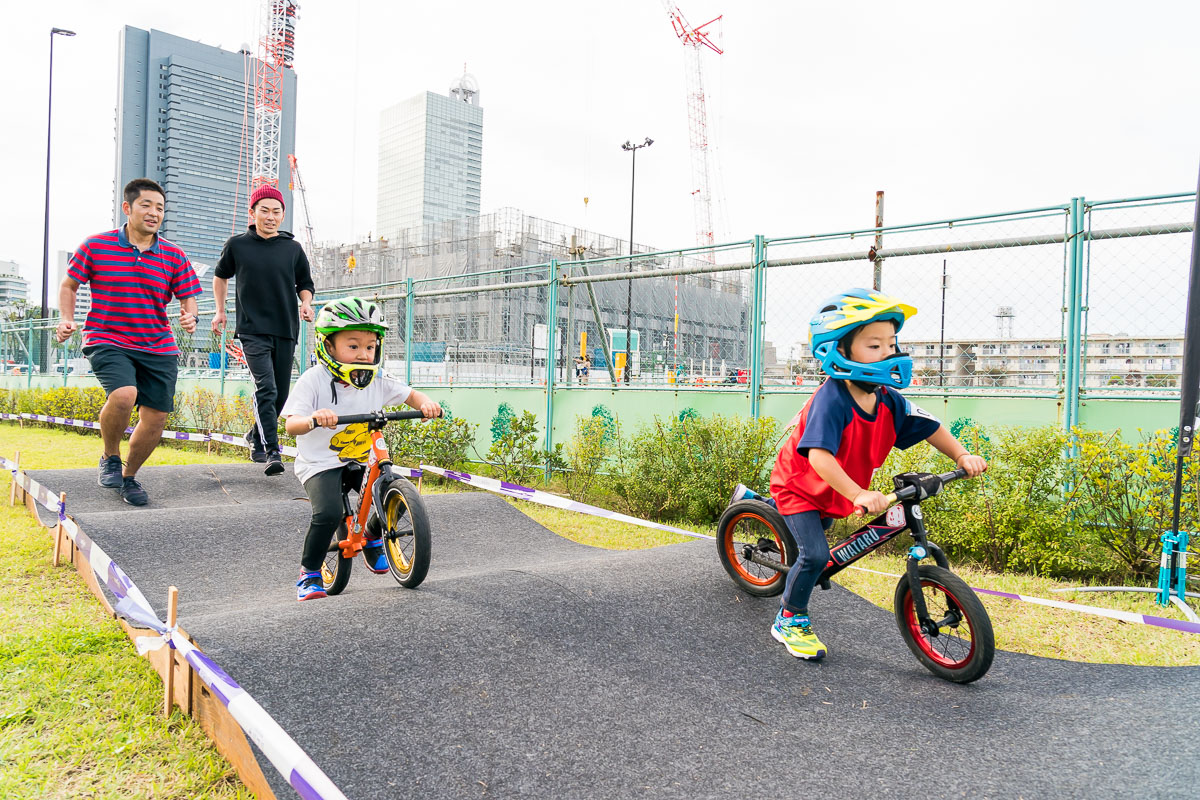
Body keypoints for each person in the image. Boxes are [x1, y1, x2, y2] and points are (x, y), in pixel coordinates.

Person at [733, 289, 987, 660]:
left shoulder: (889, 399)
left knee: (812, 542)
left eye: (892, 343)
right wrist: (858, 494)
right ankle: (790, 618)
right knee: (816, 556)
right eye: (875, 345)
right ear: (838, 349)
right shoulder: (831, 399)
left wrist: (962, 455)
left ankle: (757, 507)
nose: (889, 353)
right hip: (799, 487)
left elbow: (929, 426)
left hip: (835, 490)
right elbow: (819, 457)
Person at [281, 297, 442, 602]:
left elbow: (410, 395)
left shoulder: (377, 379)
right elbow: (292, 425)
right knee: (328, 513)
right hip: (319, 464)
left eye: (370, 346)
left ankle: (370, 536)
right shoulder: (314, 380)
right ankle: (309, 574)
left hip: (357, 458)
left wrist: (427, 405)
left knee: (383, 486)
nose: (364, 354)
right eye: (353, 346)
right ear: (328, 346)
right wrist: (313, 419)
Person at [55, 178, 201, 506]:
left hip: (157, 345)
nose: (154, 213)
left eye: (160, 208)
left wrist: (190, 316)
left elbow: (188, 298)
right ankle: (109, 455)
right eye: (146, 205)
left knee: (156, 418)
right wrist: (67, 318)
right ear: (128, 208)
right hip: (107, 337)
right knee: (123, 395)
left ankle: (129, 476)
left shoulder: (174, 256)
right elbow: (68, 285)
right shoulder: (96, 246)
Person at [212, 184, 316, 476]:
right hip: (252, 329)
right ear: (253, 213)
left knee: (281, 394)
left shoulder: (293, 249)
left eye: (276, 211)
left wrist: (306, 304)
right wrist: (220, 311)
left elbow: (305, 284)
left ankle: (255, 435)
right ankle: (272, 451)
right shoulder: (238, 245)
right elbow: (220, 277)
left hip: (286, 328)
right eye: (264, 210)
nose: (270, 216)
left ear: (282, 215)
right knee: (266, 387)